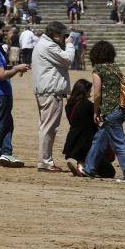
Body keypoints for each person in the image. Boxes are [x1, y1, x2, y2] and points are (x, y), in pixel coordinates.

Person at [80, 40, 125, 182]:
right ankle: (89, 169)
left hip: (111, 111)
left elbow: (97, 93)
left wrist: (96, 112)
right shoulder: (115, 68)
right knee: (99, 139)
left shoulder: (98, 70)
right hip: (123, 109)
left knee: (119, 143)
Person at [0, 19, 30, 168]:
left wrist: (15, 68)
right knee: (1, 124)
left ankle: (6, 153)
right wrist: (16, 69)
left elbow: (1, 69)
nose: (4, 33)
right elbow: (1, 75)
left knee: (7, 123)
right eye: (2, 30)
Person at [32, 21, 76, 172]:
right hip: (51, 92)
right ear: (56, 35)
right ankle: (45, 162)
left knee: (46, 126)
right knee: (49, 127)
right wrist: (70, 44)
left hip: (46, 90)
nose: (65, 37)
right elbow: (68, 59)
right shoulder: (48, 46)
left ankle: (45, 160)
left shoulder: (45, 43)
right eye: (63, 35)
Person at [63, 79, 116, 178]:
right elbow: (102, 112)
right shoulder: (87, 105)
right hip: (87, 144)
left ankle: (81, 164)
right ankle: (83, 168)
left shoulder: (69, 105)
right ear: (85, 91)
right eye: (89, 90)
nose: (91, 92)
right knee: (110, 172)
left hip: (74, 143)